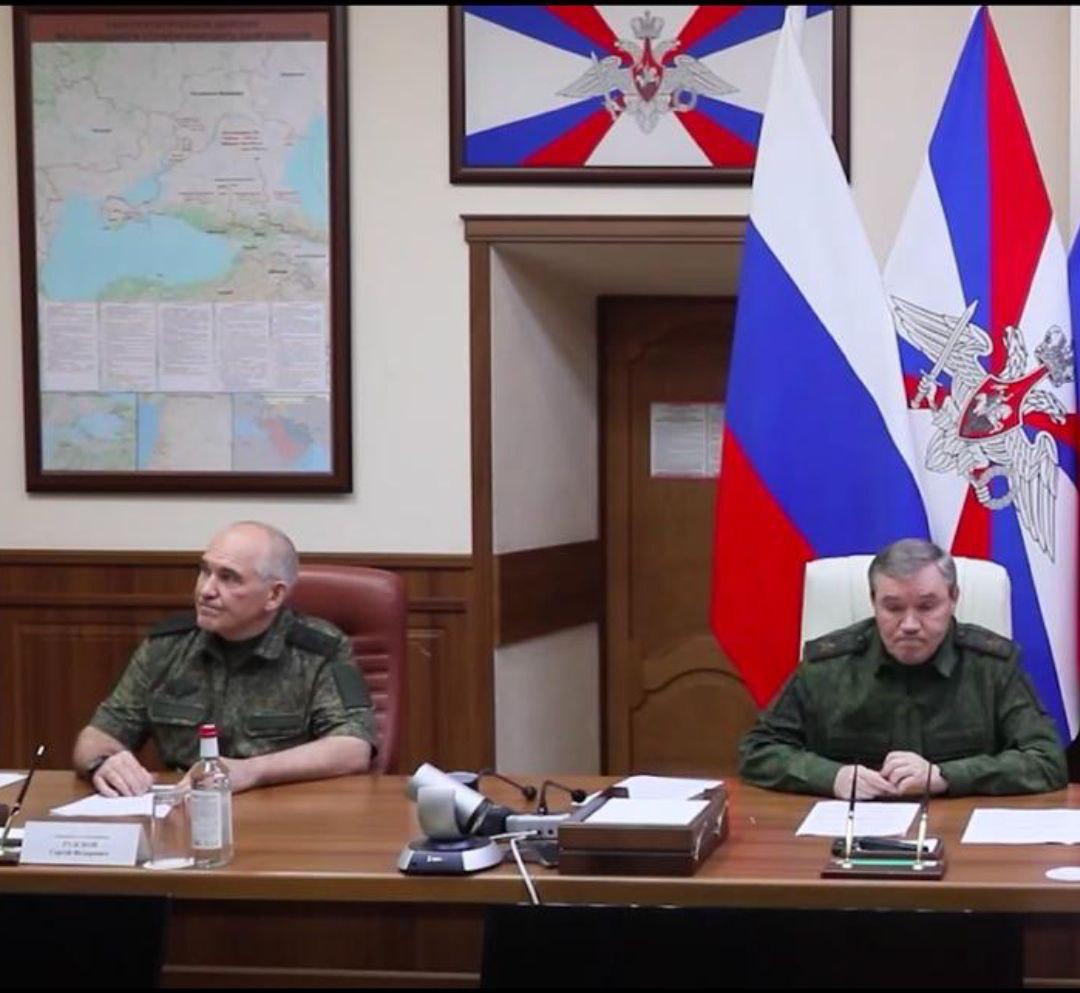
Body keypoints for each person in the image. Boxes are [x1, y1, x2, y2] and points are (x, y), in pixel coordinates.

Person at [738, 538, 1066, 798]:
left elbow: (1046, 761)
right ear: (873, 601)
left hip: (958, 832)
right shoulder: (829, 666)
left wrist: (946, 776)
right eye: (893, 608)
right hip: (848, 832)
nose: (909, 624)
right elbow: (758, 751)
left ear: (953, 598)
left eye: (926, 606)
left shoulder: (991, 666)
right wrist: (832, 776)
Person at [72, 521, 375, 796]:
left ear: (273, 596)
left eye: (228, 578)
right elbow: (97, 735)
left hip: (283, 808)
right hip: (186, 812)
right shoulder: (165, 646)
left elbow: (354, 747)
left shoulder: (323, 650)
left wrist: (252, 771)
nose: (205, 590)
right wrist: (105, 762)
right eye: (205, 571)